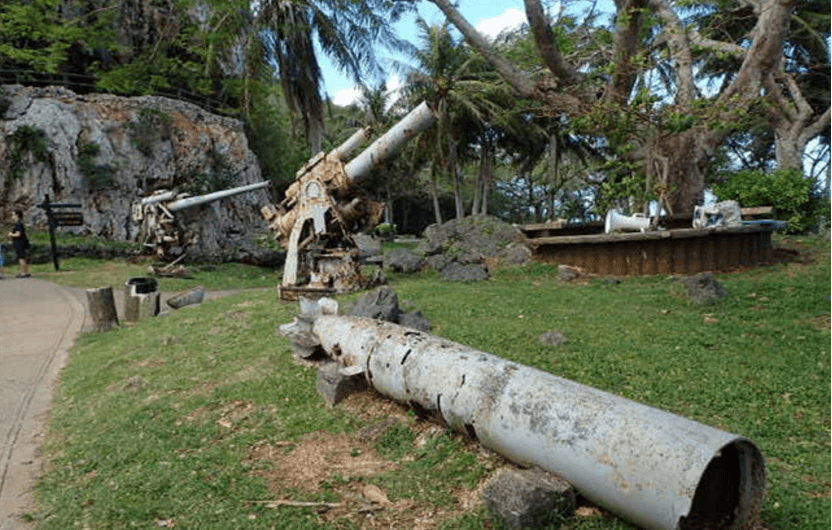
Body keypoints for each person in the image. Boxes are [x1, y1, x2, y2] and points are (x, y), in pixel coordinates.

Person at [8, 209, 30, 278]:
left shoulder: (18, 224)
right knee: (22, 257)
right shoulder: (19, 223)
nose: (12, 216)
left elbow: (18, 234)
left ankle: (23, 272)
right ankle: (23, 271)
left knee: (21, 257)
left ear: (17, 215)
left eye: (13, 215)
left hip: (20, 242)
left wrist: (11, 234)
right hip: (21, 242)